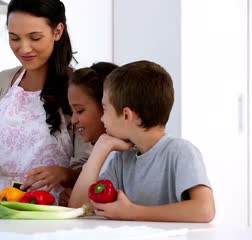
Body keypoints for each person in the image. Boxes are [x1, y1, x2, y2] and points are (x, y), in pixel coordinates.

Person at [0, 0, 91, 201]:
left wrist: (64, 174)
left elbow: (92, 165)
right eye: (14, 38)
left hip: (55, 210)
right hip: (4, 206)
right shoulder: (3, 82)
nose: (24, 49)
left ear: (57, 31)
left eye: (35, 38)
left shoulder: (79, 88)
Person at [68, 60, 215, 222]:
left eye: (105, 109)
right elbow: (77, 209)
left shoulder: (182, 151)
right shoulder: (121, 159)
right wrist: (100, 148)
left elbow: (205, 210)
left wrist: (132, 212)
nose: (102, 118)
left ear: (126, 115)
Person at [58, 62, 118, 206]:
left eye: (79, 111)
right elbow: (77, 204)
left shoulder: (125, 158)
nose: (73, 120)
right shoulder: (98, 154)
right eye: (72, 112)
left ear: (106, 106)